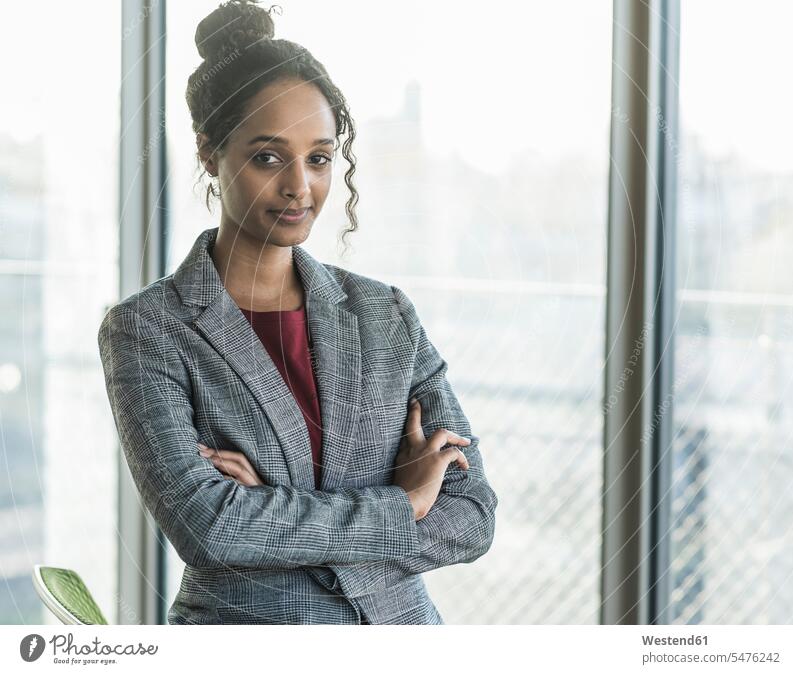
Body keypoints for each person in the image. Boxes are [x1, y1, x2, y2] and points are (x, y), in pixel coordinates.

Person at [98, 0, 498, 625]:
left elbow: (471, 517)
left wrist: (273, 512)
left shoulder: (385, 314)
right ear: (210, 154)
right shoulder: (149, 329)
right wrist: (403, 503)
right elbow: (210, 531)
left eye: (318, 157)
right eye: (267, 156)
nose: (300, 187)